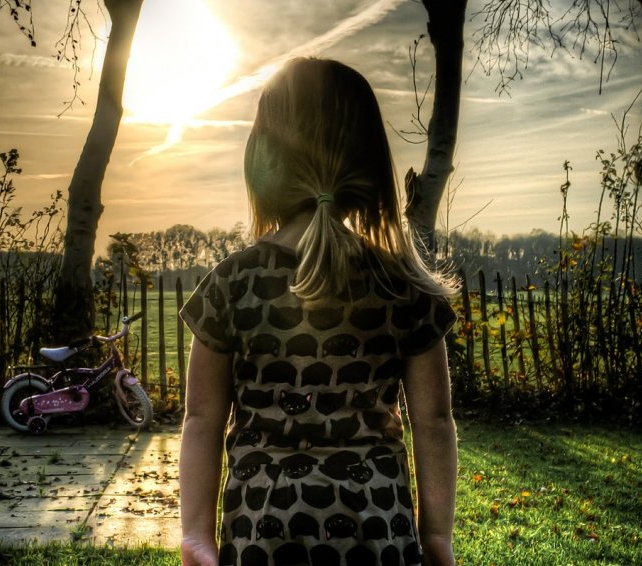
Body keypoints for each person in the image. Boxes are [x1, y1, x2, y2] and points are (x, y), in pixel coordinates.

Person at [178, 57, 459, 566]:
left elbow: (201, 418)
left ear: (264, 160)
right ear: (371, 164)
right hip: (376, 527)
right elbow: (434, 421)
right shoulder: (405, 286)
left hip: (262, 528)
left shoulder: (231, 283)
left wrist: (195, 536)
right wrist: (436, 536)